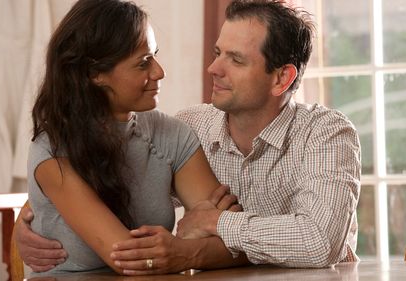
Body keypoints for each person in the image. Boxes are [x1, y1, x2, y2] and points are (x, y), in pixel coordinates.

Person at [16, 0, 361, 275]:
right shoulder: (192, 125)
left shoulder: (326, 133)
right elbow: (92, 190)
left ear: (281, 79)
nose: (212, 69)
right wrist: (33, 215)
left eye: (235, 60)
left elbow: (317, 242)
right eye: (216, 53)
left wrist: (213, 228)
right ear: (95, 75)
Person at [23, 0, 242, 276]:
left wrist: (186, 248)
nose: (159, 72)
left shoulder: (172, 135)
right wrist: (192, 235)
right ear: (95, 73)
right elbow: (129, 259)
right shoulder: (53, 152)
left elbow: (238, 243)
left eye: (155, 56)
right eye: (143, 63)